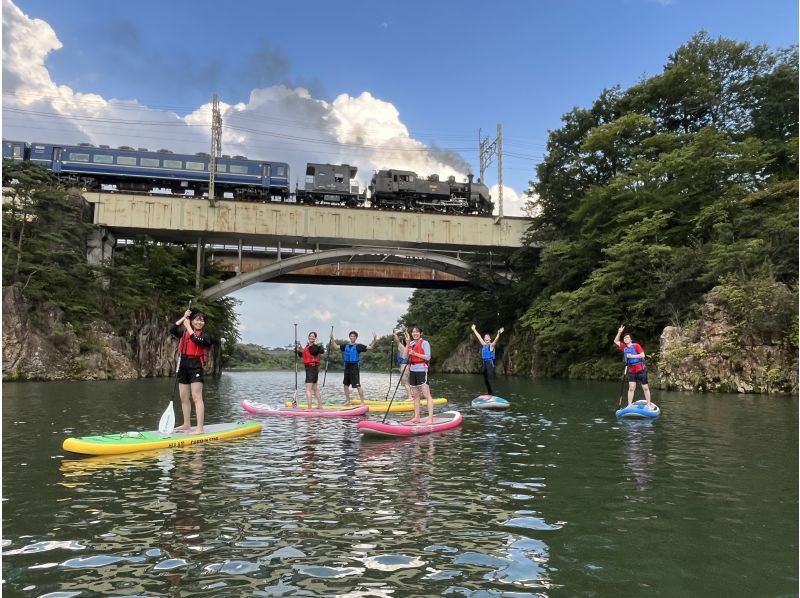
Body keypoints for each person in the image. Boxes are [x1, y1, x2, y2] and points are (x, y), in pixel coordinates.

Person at [169, 309, 212, 433]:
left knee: (196, 397)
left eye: (202, 320)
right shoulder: (184, 333)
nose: (199, 322)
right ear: (192, 321)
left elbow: (195, 340)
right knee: (183, 397)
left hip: (196, 365)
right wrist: (184, 317)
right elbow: (172, 329)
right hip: (183, 364)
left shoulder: (205, 336)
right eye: (197, 319)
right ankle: (186, 424)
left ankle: (200, 428)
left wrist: (188, 326)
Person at [613, 324, 654, 410]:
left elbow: (643, 355)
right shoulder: (624, 347)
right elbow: (616, 340)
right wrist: (619, 332)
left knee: (645, 387)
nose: (625, 339)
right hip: (631, 369)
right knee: (631, 388)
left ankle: (649, 404)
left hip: (641, 369)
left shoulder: (636, 346)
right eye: (624, 338)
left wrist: (632, 356)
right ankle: (629, 405)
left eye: (627, 337)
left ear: (631, 339)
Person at [330, 330, 377, 405]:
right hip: (347, 367)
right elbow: (335, 347)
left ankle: (362, 402)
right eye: (351, 336)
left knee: (358, 385)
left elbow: (371, 347)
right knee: (345, 385)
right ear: (349, 337)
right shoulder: (345, 346)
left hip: (354, 367)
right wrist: (332, 339)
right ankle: (348, 401)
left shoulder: (359, 346)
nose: (352, 337)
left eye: (354, 336)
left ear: (356, 338)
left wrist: (374, 339)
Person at [407, 326, 435, 424]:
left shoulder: (425, 343)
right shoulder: (410, 343)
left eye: (417, 332)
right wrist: (407, 343)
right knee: (415, 396)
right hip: (412, 370)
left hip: (422, 370)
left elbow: (428, 357)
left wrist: (415, 354)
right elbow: (404, 356)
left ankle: (430, 418)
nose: (415, 333)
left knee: (427, 395)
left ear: (421, 333)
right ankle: (417, 417)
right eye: (413, 332)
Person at [470, 324, 504, 396]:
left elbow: (496, 340)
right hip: (484, 364)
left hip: (489, 364)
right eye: (485, 337)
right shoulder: (484, 345)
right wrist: (474, 329)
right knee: (485, 380)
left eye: (487, 337)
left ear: (489, 339)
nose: (486, 338)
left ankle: (493, 395)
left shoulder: (491, 345)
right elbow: (479, 336)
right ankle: (489, 394)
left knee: (490, 380)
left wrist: (498, 333)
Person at [295, 331, 325, 409]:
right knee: (315, 388)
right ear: (308, 337)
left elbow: (321, 351)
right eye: (310, 336)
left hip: (311, 369)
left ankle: (309, 408)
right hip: (312, 368)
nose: (311, 337)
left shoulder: (315, 346)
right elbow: (302, 355)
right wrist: (298, 350)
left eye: (313, 336)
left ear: (315, 338)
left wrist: (318, 343)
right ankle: (320, 406)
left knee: (308, 389)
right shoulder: (308, 346)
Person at [393, 328, 412, 401]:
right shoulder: (409, 346)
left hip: (404, 366)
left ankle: (410, 397)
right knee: (408, 382)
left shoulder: (402, 347)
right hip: (409, 366)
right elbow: (408, 338)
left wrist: (394, 334)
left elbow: (397, 341)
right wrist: (405, 332)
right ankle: (412, 396)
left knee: (405, 382)